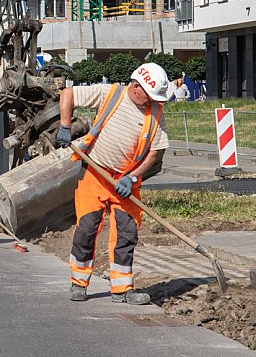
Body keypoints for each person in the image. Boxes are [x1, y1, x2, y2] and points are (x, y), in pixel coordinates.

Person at [55, 62, 171, 305]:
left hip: (127, 182)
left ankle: (122, 288)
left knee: (126, 235)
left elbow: (156, 152)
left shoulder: (156, 112)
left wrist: (132, 177)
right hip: (95, 174)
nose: (150, 102)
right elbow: (68, 94)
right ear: (136, 86)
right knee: (86, 230)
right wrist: (65, 126)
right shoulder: (111, 93)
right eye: (148, 97)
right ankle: (78, 283)